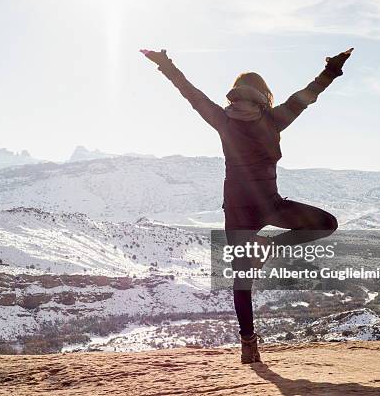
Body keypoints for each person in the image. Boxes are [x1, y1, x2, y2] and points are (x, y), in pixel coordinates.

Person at [141, 47, 353, 363]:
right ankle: (268, 246)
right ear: (262, 94)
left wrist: (165, 64)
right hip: (270, 205)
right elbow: (309, 95)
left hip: (237, 211)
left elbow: (190, 93)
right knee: (327, 223)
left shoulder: (222, 119)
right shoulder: (275, 118)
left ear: (236, 94)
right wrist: (332, 69)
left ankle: (248, 345)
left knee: (242, 281)